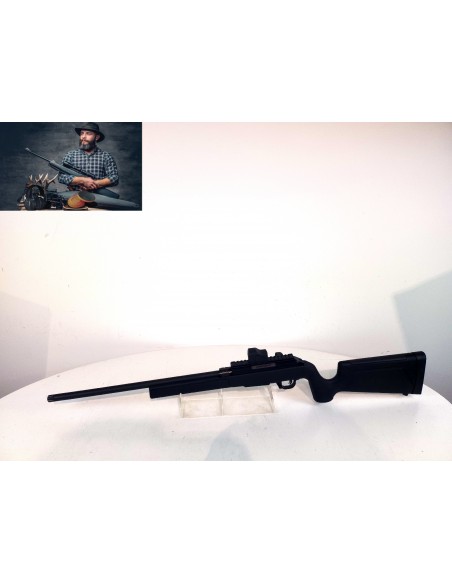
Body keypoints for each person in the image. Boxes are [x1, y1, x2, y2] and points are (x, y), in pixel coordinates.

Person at [58, 123, 119, 191]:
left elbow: (114, 178)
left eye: (88, 134)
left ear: (97, 137)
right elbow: (61, 177)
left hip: (98, 196)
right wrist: (82, 180)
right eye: (82, 133)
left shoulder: (106, 156)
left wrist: (94, 183)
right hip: (74, 196)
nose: (83, 136)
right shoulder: (70, 155)